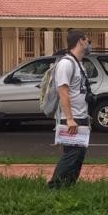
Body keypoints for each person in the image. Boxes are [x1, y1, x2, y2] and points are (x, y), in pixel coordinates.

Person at [47, 30, 91, 189]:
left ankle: (69, 185)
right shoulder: (66, 63)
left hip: (81, 115)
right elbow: (63, 92)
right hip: (72, 117)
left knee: (79, 154)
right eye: (87, 40)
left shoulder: (78, 64)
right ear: (81, 41)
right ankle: (55, 185)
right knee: (71, 154)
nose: (88, 44)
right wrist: (70, 118)